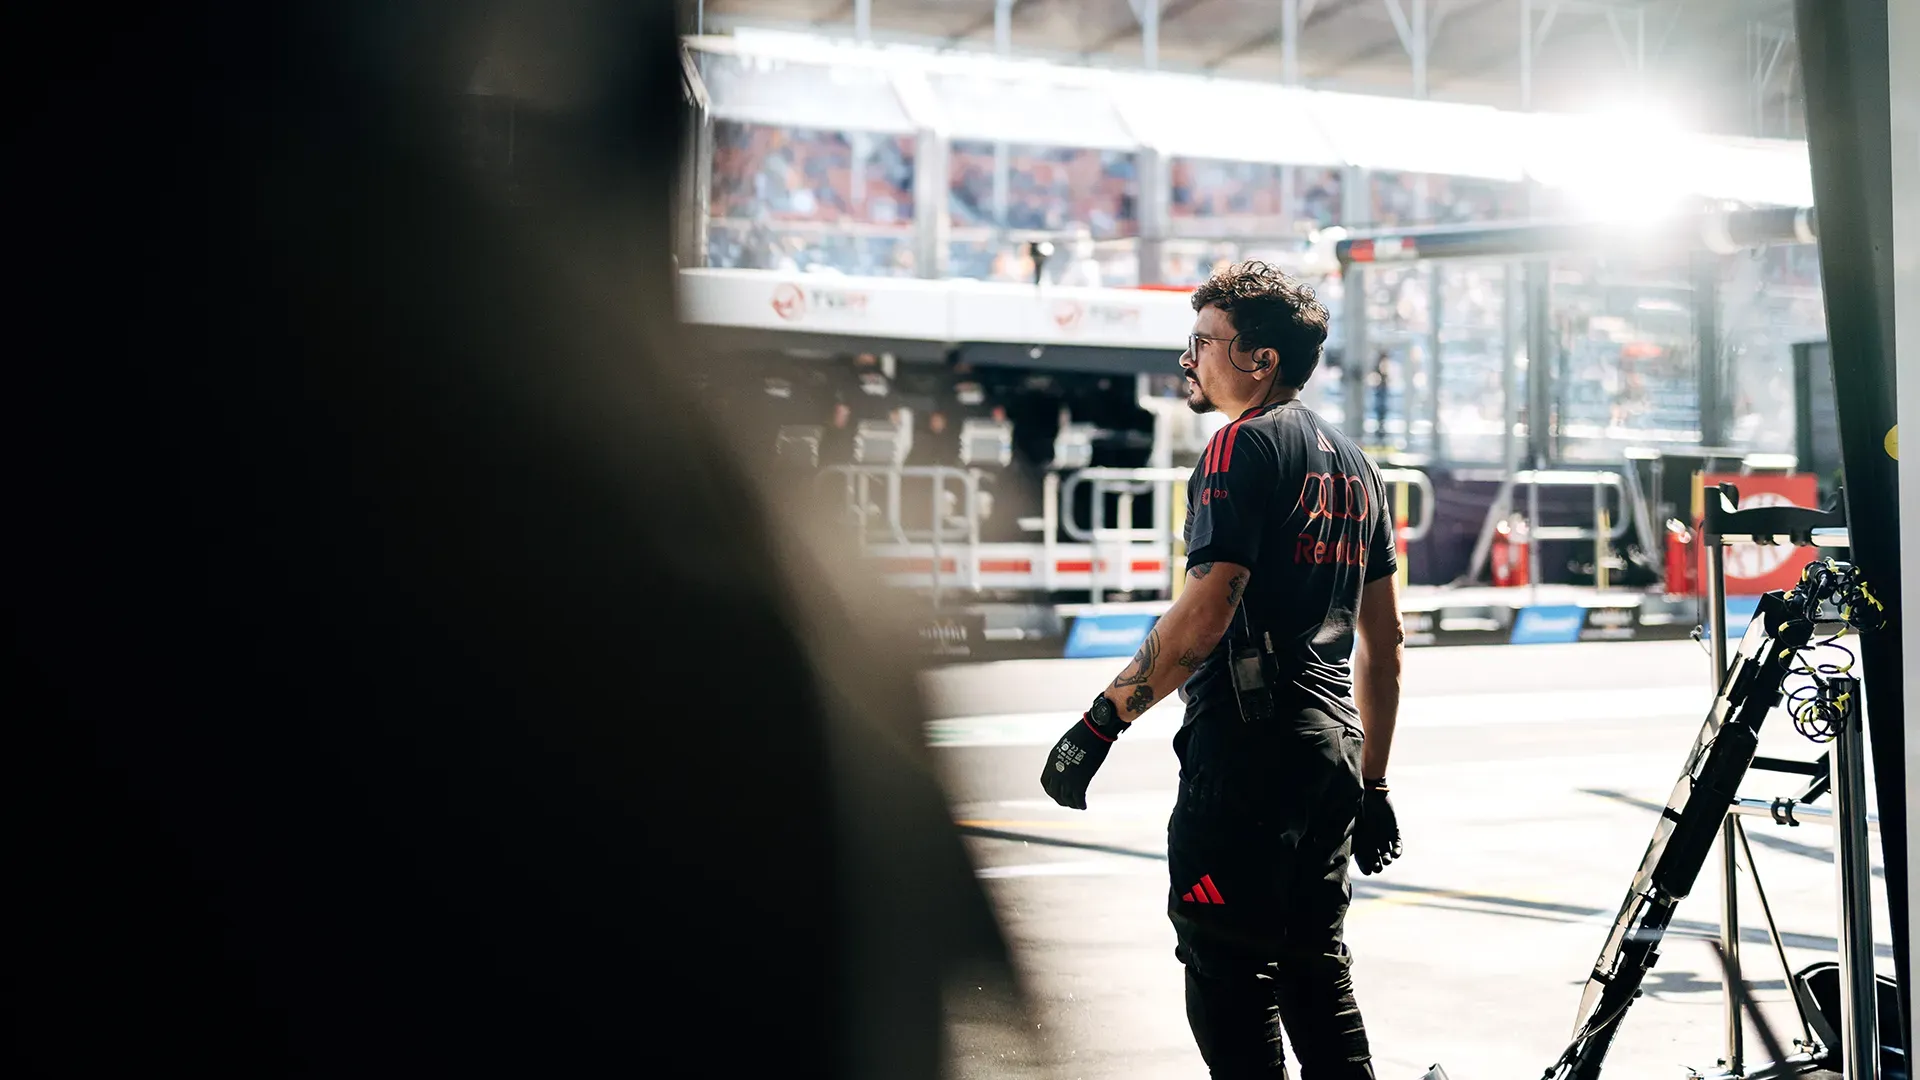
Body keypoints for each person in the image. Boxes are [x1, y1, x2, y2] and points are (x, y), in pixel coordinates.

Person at [1039, 260, 1406, 1079]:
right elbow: (1386, 645)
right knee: (1316, 964)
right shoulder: (1360, 468)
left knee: (1228, 968)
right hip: (1331, 751)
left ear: (1259, 360)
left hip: (1248, 756)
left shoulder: (1240, 447)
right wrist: (1373, 785)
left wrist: (1101, 721)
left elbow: (1206, 613)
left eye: (1205, 341)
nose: (1189, 359)